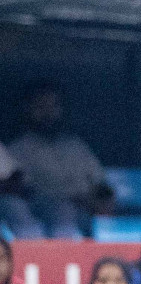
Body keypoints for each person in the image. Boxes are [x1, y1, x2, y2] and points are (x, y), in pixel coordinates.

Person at [2, 80, 113, 238]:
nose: (47, 113)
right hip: (41, 211)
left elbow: (102, 186)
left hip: (82, 213)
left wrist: (98, 202)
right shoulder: (18, 149)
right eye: (41, 107)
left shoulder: (76, 146)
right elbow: (18, 190)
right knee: (61, 210)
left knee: (69, 213)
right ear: (28, 109)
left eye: (52, 107)